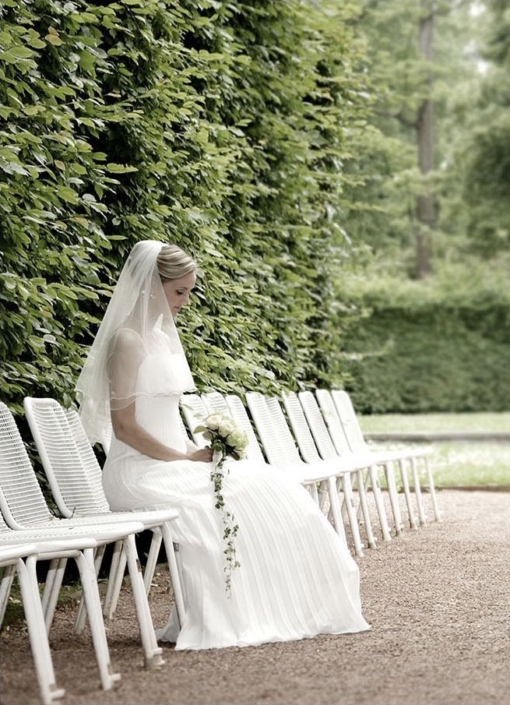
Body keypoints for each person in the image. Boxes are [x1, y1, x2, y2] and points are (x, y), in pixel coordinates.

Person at [75, 240, 369, 650]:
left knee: (269, 484)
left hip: (169, 461)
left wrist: (199, 452)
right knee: (220, 500)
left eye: (190, 290)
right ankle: (224, 615)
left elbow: (163, 416)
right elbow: (124, 428)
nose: (187, 301)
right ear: (148, 286)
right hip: (136, 470)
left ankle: (284, 606)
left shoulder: (160, 338)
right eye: (180, 291)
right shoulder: (127, 341)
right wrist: (186, 457)